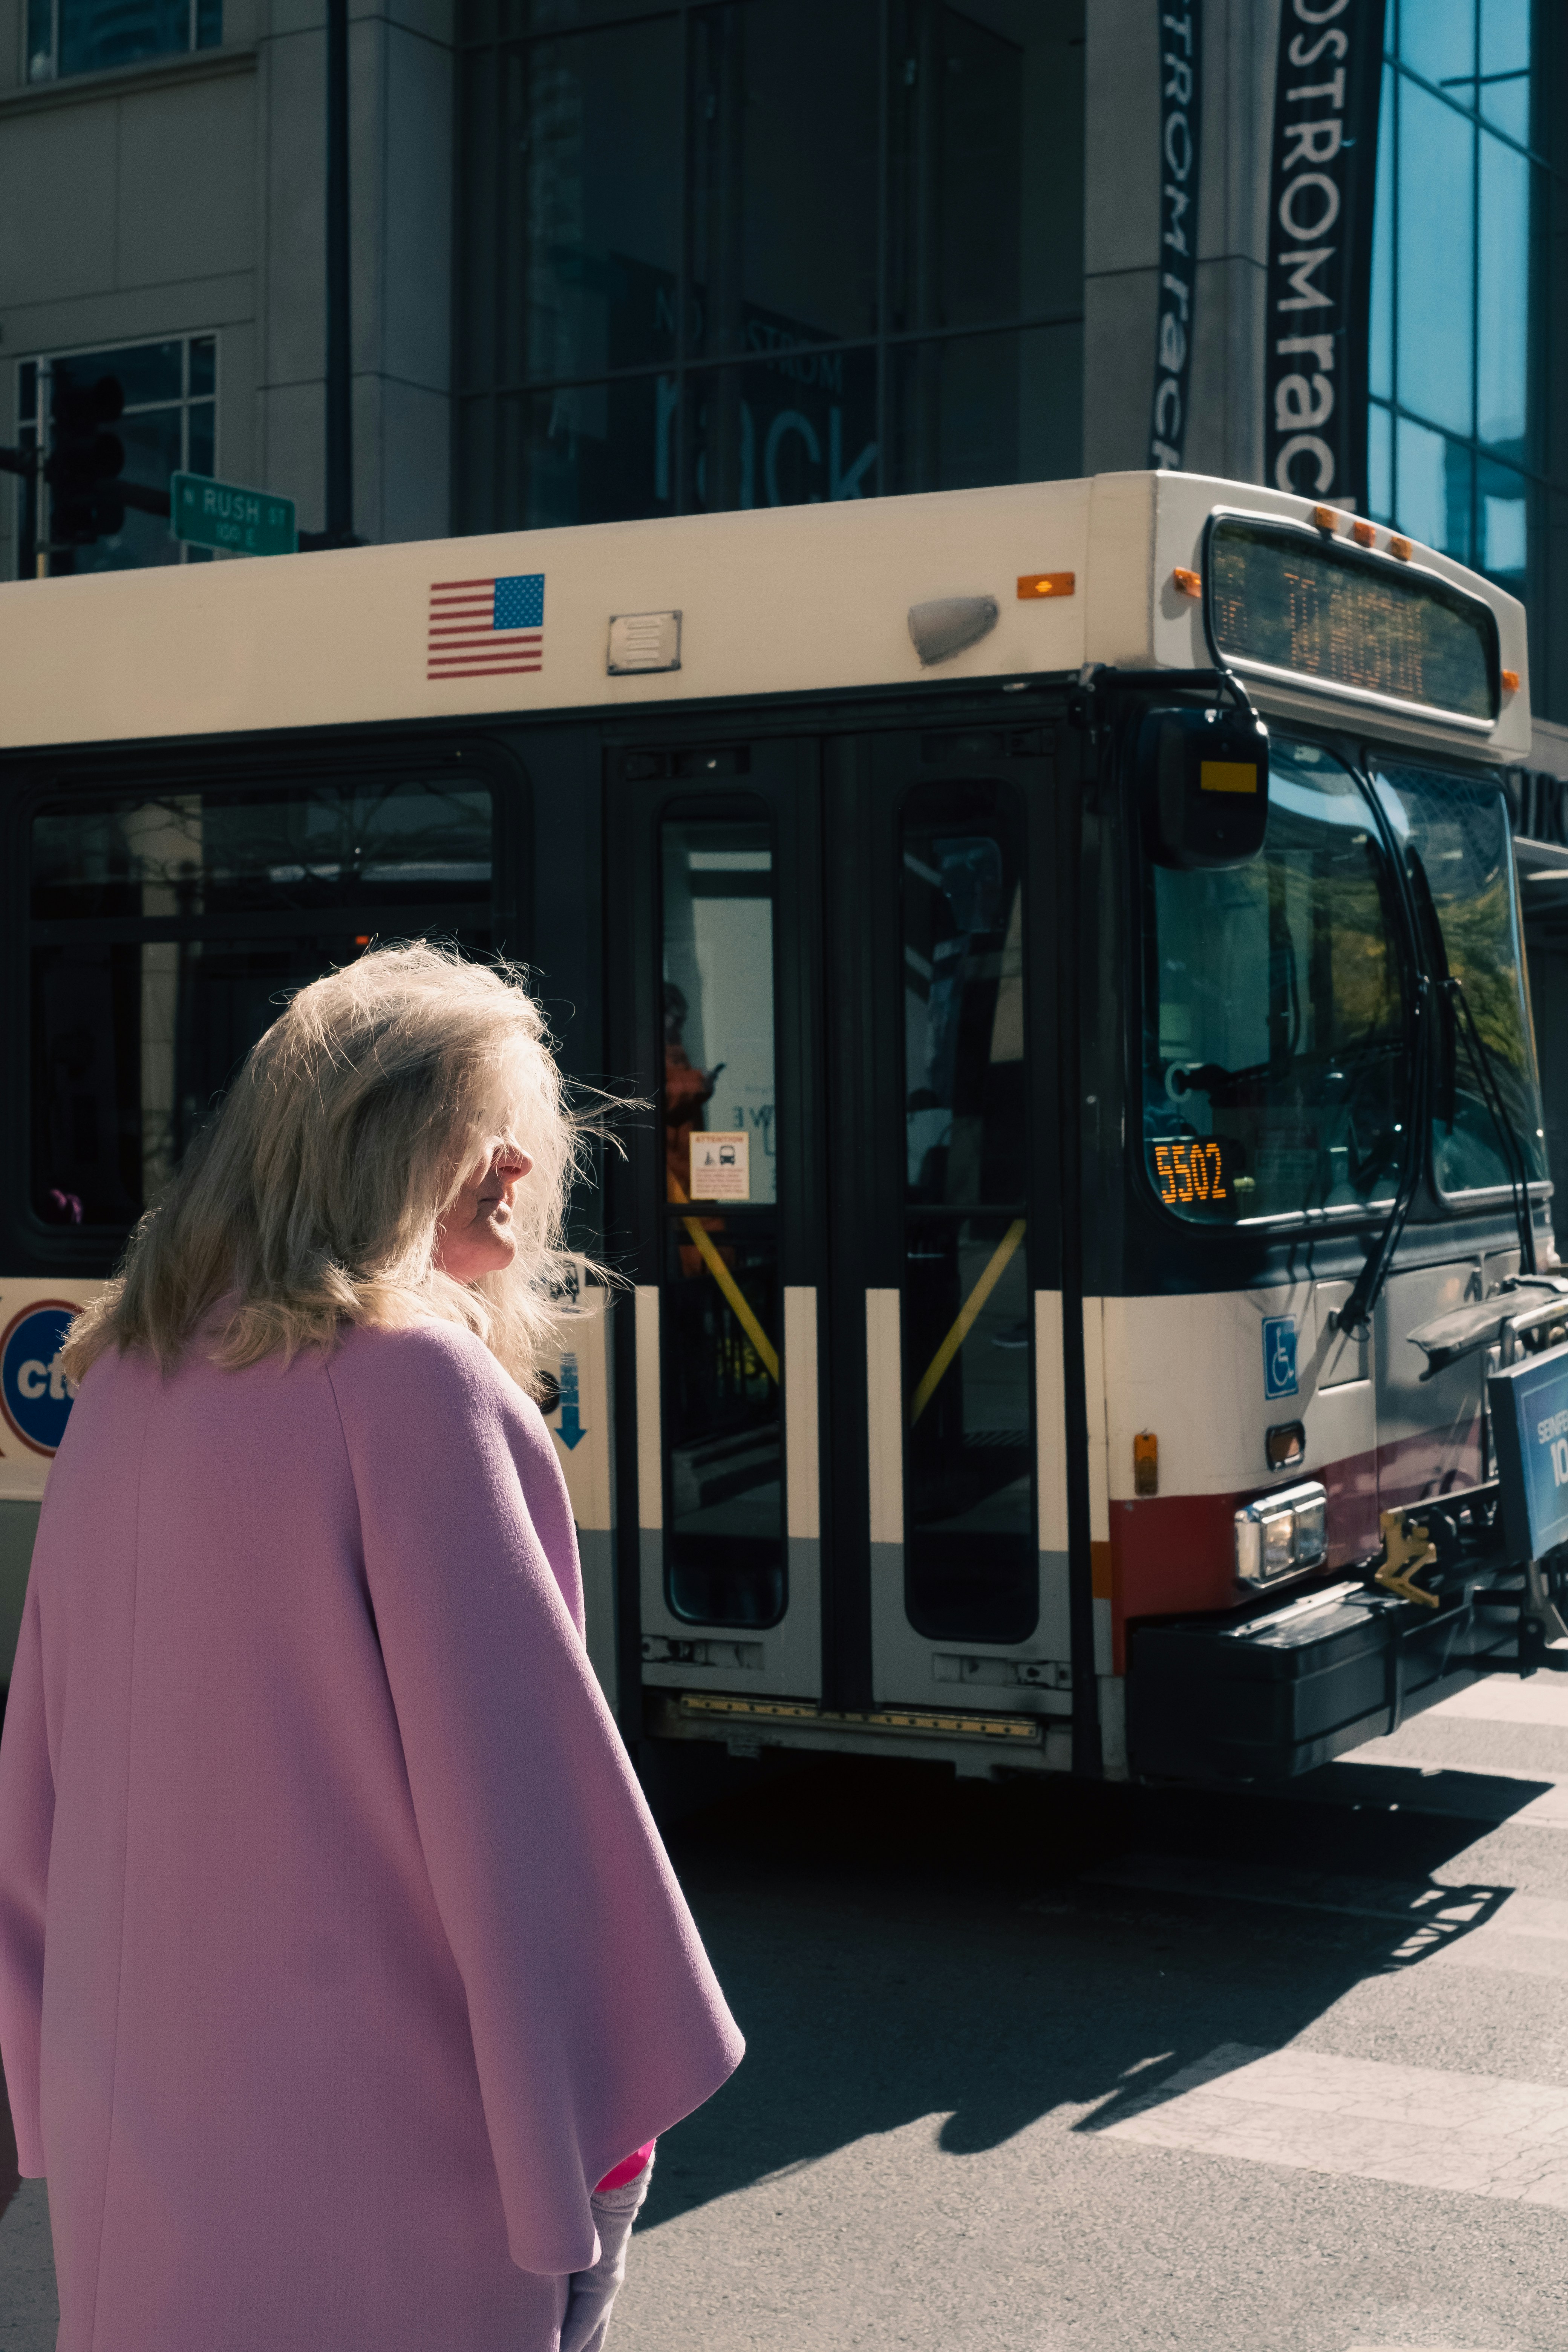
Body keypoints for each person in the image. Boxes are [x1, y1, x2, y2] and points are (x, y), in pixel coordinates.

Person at [0, 942, 743, 2352]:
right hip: (384, 2134)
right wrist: (589, 2171)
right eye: (512, 1146)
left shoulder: (126, 1384)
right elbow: (523, 1836)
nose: (525, 1185)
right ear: (475, 1170)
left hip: (135, 2131)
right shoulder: (418, 1385)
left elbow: (38, 1779)